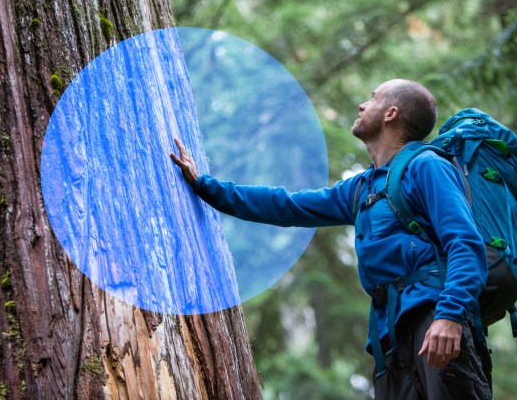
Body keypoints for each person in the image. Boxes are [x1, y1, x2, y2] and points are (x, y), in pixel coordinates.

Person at [170, 79, 491, 399]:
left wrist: (449, 315)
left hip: (432, 318)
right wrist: (205, 186)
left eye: (373, 98)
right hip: (389, 338)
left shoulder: (427, 166)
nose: (362, 105)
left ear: (391, 113)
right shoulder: (362, 188)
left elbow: (465, 243)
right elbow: (288, 206)